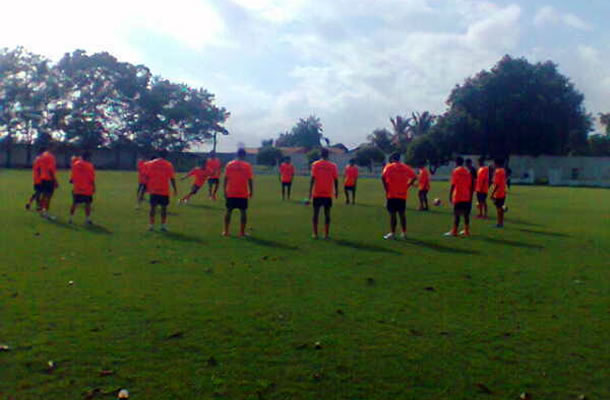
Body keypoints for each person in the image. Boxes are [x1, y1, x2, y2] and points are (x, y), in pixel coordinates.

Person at [381, 153, 417, 239]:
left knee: (392, 214)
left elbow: (383, 177)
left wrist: (386, 189)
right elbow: (414, 177)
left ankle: (392, 233)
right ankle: (404, 233)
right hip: (402, 194)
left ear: (393, 158)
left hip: (392, 194)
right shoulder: (405, 167)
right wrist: (408, 185)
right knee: (402, 214)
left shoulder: (389, 167)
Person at [223, 148, 254, 237]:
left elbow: (226, 178)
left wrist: (224, 190)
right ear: (244, 155)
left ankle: (226, 231)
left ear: (237, 154)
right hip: (242, 192)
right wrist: (251, 191)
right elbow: (250, 180)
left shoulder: (229, 164)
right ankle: (242, 232)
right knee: (243, 212)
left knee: (228, 211)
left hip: (231, 192)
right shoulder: (247, 165)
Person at [309, 148, 338, 239]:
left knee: (316, 214)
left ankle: (315, 233)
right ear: (328, 155)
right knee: (327, 214)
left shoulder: (315, 164)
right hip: (327, 193)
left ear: (320, 154)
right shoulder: (333, 166)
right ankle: (326, 234)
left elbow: (313, 178)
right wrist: (336, 191)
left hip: (317, 193)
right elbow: (335, 179)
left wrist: (310, 191)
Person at [145, 150, 177, 232]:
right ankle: (163, 226)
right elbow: (172, 178)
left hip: (153, 189)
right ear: (166, 155)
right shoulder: (168, 165)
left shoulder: (151, 163)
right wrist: (175, 189)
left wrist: (145, 187)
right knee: (164, 209)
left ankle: (151, 225)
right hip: (164, 190)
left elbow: (146, 175)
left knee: (152, 208)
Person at [445, 156, 473, 237]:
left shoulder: (456, 171)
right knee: (466, 214)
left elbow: (453, 184)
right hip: (466, 195)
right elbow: (470, 185)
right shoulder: (467, 171)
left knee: (457, 214)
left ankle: (454, 231)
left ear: (456, 162)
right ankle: (467, 231)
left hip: (458, 195)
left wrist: (450, 194)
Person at [69, 152, 96, 224]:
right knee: (88, 204)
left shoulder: (75, 165)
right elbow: (91, 178)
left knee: (74, 203)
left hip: (77, 188)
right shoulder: (89, 166)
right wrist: (94, 187)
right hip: (87, 189)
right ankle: (87, 219)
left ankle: (71, 218)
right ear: (87, 157)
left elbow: (72, 178)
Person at [38, 147, 58, 219]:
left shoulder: (43, 155)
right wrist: (55, 181)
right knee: (48, 197)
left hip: (43, 178)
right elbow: (50, 170)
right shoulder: (51, 157)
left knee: (43, 195)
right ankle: (46, 212)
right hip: (49, 179)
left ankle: (41, 211)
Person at [490, 158, 507, 228]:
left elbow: (497, 184)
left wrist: (492, 193)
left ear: (496, 164)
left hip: (498, 193)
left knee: (498, 209)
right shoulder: (503, 171)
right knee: (500, 208)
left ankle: (499, 223)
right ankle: (501, 223)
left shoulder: (497, 171)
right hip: (503, 192)